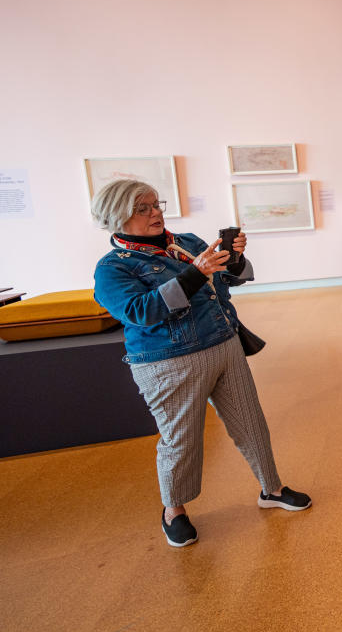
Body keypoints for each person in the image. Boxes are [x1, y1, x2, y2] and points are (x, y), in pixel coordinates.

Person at [91, 179, 310, 548]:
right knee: (182, 441)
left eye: (155, 204)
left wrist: (234, 257)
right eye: (142, 208)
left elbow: (227, 279)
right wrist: (197, 273)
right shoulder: (112, 268)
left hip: (223, 343)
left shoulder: (188, 242)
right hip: (167, 363)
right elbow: (140, 312)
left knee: (250, 421)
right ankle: (173, 511)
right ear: (117, 216)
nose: (155, 212)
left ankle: (270, 490)